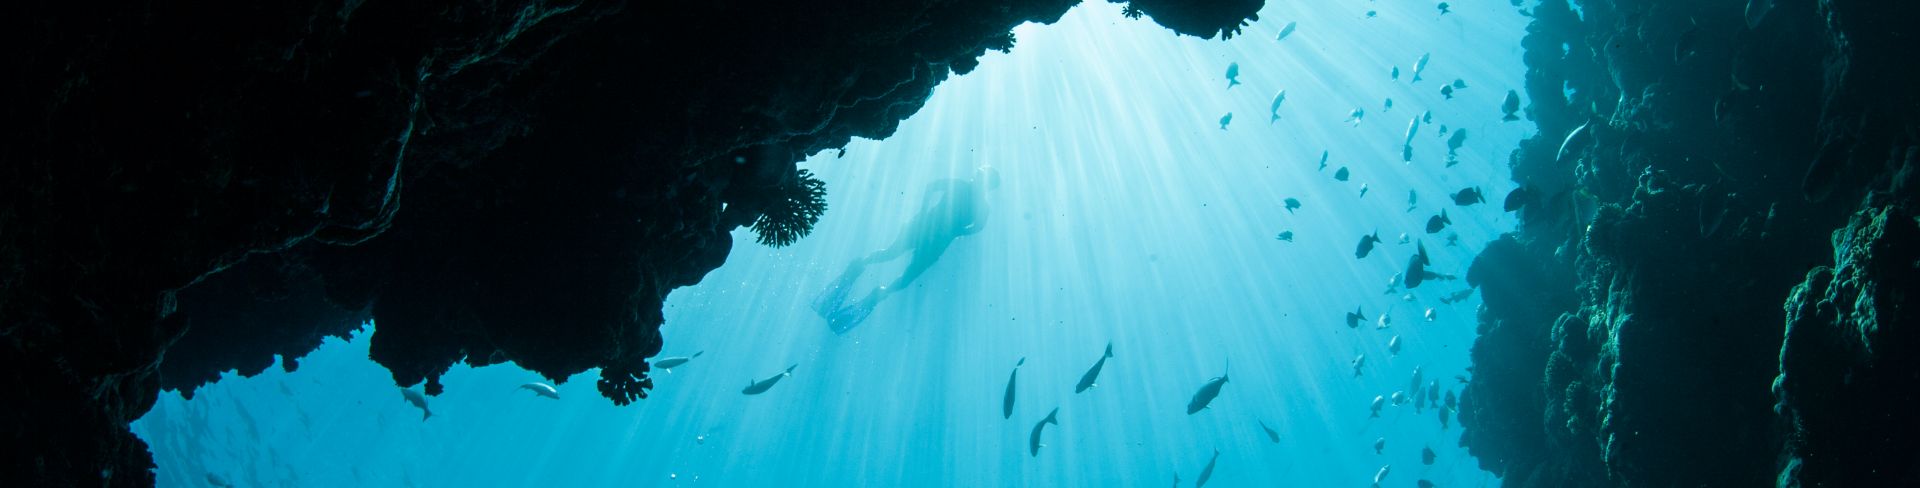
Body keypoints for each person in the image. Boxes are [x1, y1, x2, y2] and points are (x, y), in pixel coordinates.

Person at [814, 166, 1001, 333]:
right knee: (898, 263)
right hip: (929, 234)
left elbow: (974, 225)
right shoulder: (978, 203)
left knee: (894, 259)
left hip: (926, 229)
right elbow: (976, 227)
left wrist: (930, 214)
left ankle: (867, 275)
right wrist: (954, 230)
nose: (975, 178)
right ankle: (878, 288)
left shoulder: (967, 193)